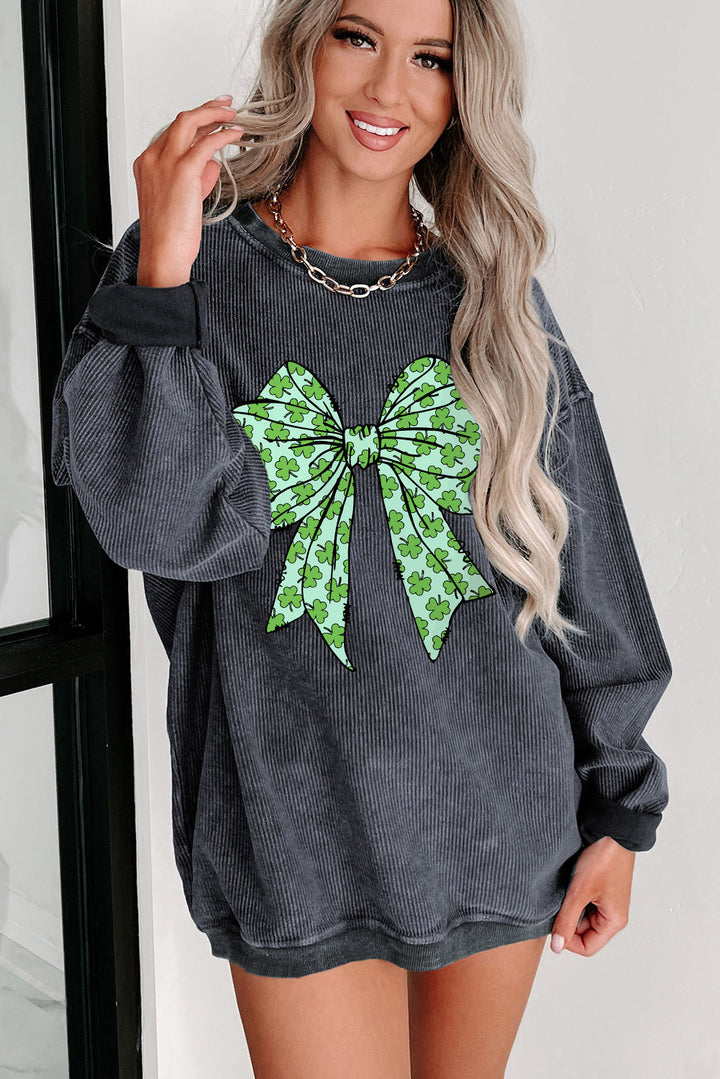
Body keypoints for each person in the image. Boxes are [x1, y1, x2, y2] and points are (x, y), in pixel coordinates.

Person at [50, 0, 673, 1075]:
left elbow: (589, 564)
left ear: (463, 91)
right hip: (291, 825)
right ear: (304, 41)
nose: (389, 89)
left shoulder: (492, 298)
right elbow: (153, 522)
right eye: (357, 36)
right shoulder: (187, 267)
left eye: (431, 58)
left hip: (497, 812)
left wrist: (620, 813)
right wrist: (164, 265)